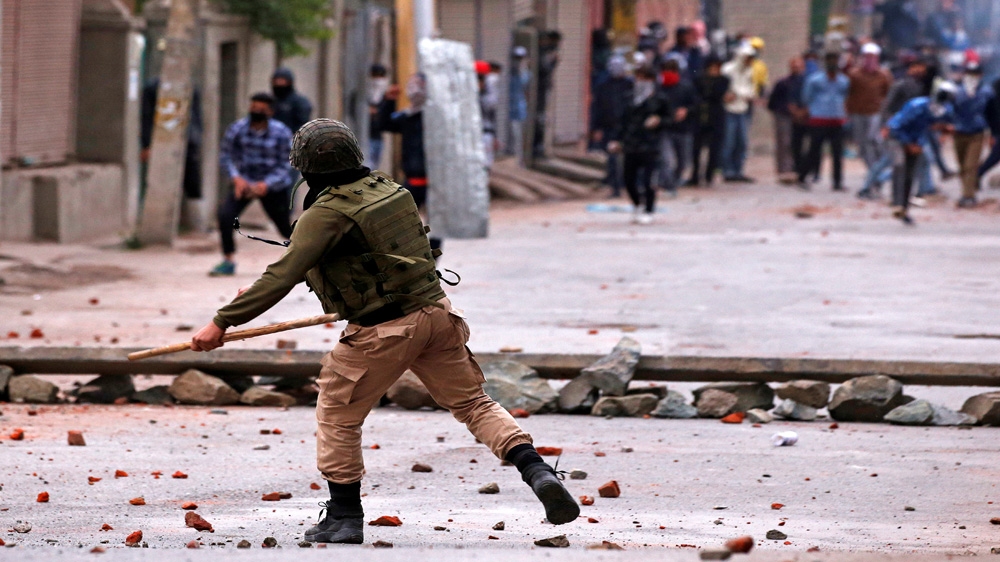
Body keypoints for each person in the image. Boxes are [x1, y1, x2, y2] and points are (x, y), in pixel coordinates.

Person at [189, 119, 580, 545]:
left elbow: (282, 273)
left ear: (305, 167)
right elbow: (363, 261)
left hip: (383, 330)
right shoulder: (390, 192)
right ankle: (537, 470)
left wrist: (222, 322)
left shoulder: (325, 213)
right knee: (472, 403)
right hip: (435, 314)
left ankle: (343, 516)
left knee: (338, 414)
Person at [211, 92, 294, 276]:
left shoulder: (281, 132)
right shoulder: (237, 129)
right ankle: (228, 260)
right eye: (254, 107)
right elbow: (226, 156)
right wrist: (236, 178)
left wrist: (267, 184)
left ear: (270, 112)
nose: (256, 111)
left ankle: (310, 257)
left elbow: (288, 163)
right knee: (226, 216)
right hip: (244, 184)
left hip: (273, 187)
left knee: (285, 227)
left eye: (261, 109)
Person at [377, 74, 441, 251]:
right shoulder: (407, 116)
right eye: (412, 85)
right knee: (404, 223)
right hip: (413, 179)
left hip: (437, 181)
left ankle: (432, 262)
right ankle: (414, 261)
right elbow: (384, 124)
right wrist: (388, 100)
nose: (415, 90)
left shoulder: (438, 117)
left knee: (436, 226)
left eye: (419, 85)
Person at [886, 82, 956, 224]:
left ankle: (904, 208)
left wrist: (941, 130)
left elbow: (927, 127)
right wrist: (908, 143)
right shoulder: (916, 106)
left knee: (910, 174)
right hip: (898, 138)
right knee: (899, 166)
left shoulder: (944, 109)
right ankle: (897, 203)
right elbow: (895, 127)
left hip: (916, 141)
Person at [608, 67, 671, 224]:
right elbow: (621, 122)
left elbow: (670, 119)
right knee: (628, 179)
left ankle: (649, 209)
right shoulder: (629, 99)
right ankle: (637, 204)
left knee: (649, 180)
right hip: (631, 145)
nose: (641, 82)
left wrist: (659, 121)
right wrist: (616, 140)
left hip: (651, 146)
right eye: (639, 78)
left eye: (645, 79)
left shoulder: (660, 99)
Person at [140, 77, 203, 199]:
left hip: (187, 141)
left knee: (191, 182)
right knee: (163, 181)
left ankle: (192, 211)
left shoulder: (191, 87)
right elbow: (146, 117)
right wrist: (147, 144)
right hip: (163, 142)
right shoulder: (153, 88)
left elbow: (197, 116)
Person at [797, 52, 850, 191]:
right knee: (813, 151)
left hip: (837, 121)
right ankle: (802, 177)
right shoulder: (815, 80)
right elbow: (806, 98)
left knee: (838, 153)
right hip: (819, 120)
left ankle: (837, 182)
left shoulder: (843, 81)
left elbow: (846, 98)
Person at [950, 61, 993, 208]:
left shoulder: (987, 92)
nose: (972, 77)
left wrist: (994, 133)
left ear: (981, 75)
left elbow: (992, 114)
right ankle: (966, 191)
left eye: (975, 74)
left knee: (971, 165)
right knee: (962, 165)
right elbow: (949, 110)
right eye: (969, 74)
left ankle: (968, 196)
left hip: (977, 132)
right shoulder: (956, 91)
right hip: (959, 132)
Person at [847, 43, 892, 182]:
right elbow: (848, 93)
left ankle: (880, 165)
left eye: (872, 57)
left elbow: (888, 93)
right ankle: (873, 170)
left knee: (872, 138)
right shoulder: (854, 75)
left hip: (875, 112)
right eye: (867, 57)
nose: (870, 60)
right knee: (862, 143)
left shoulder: (883, 75)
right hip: (857, 112)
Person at [591, 55, 631, 197]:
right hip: (609, 127)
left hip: (627, 127)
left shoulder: (630, 85)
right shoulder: (603, 86)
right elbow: (597, 108)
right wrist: (596, 128)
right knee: (612, 158)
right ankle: (615, 187)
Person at [657, 57, 697, 195]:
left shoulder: (686, 87)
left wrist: (686, 110)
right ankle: (668, 185)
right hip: (665, 129)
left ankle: (672, 181)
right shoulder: (659, 89)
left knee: (683, 162)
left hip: (683, 129)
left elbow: (696, 105)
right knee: (666, 159)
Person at [688, 56, 730, 186]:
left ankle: (709, 175)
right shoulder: (699, 79)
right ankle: (695, 175)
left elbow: (717, 94)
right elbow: (698, 94)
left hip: (716, 117)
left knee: (714, 148)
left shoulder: (723, 80)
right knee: (696, 148)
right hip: (700, 117)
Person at [721, 45, 757, 182]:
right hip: (729, 109)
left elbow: (750, 90)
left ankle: (738, 170)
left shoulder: (749, 71)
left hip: (742, 109)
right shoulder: (728, 70)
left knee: (742, 142)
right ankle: (727, 170)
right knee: (729, 141)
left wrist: (742, 94)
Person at [767, 56, 808, 183]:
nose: (797, 68)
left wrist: (802, 111)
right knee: (784, 142)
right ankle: (785, 170)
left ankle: (800, 169)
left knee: (800, 143)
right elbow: (772, 102)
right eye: (794, 66)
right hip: (784, 115)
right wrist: (788, 108)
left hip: (803, 116)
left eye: (799, 66)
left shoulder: (808, 82)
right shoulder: (783, 82)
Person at [271, 68, 313, 134]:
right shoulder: (271, 101)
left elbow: (302, 124)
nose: (278, 83)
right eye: (276, 81)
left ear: (289, 82)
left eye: (281, 80)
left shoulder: (300, 102)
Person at [508, 46, 530, 164]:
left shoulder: (525, 74)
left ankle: (519, 159)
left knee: (519, 135)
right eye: (516, 58)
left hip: (520, 108)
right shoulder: (509, 73)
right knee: (511, 133)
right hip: (509, 108)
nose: (518, 60)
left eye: (521, 58)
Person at [367, 64, 390, 169]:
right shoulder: (365, 96)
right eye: (376, 76)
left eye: (381, 77)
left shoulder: (385, 97)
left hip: (377, 136)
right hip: (363, 136)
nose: (378, 80)